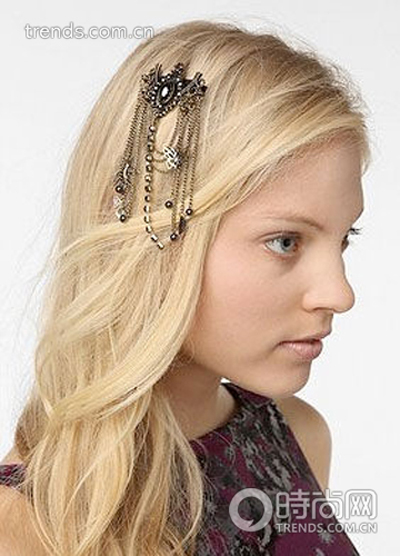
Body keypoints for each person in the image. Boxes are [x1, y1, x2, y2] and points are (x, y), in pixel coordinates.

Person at [0, 18, 370, 556]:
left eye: (344, 239)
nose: (340, 294)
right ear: (155, 241)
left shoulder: (300, 437)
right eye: (286, 242)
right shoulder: (26, 525)